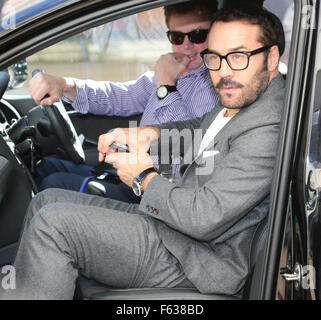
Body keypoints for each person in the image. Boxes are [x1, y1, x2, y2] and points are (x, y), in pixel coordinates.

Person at [3, 5, 285, 299]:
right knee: (45, 200)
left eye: (238, 56)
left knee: (53, 225)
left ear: (272, 56)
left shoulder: (268, 123)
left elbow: (204, 218)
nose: (224, 71)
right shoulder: (239, 92)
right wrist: (145, 135)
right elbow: (198, 130)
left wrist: (143, 177)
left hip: (199, 259)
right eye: (215, 57)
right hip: (174, 226)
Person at [30, 0, 219, 203]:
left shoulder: (216, 84)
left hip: (159, 193)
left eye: (198, 35)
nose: (187, 46)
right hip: (133, 176)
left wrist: (166, 85)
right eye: (177, 37)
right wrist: (66, 85)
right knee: (46, 166)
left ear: (215, 33)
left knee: (54, 185)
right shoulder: (174, 71)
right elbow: (119, 96)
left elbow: (192, 142)